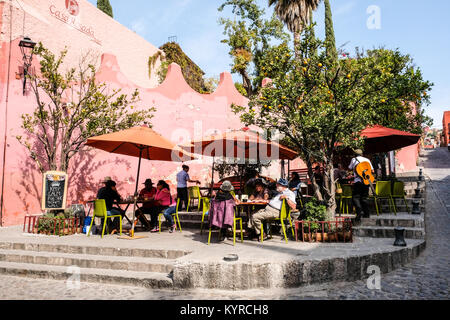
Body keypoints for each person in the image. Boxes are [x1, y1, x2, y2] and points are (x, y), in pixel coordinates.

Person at [348, 149, 374, 222]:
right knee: (364, 198)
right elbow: (372, 171)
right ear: (362, 154)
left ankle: (358, 213)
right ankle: (366, 213)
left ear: (355, 154)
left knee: (355, 198)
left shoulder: (354, 159)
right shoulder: (367, 160)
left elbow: (349, 168)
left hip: (358, 181)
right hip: (366, 181)